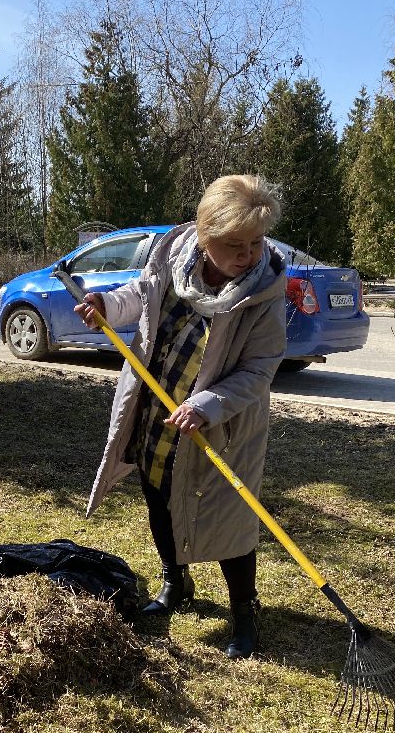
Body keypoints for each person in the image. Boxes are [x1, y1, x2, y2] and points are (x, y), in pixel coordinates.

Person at [74, 174, 286, 659]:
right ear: (206, 236)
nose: (247, 255)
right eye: (234, 244)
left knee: (232, 520)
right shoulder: (174, 258)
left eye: (255, 242)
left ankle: (243, 613)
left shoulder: (264, 294)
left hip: (223, 424)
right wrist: (107, 303)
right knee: (158, 496)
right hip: (157, 408)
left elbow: (259, 372)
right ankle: (175, 582)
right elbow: (142, 293)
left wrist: (207, 405)